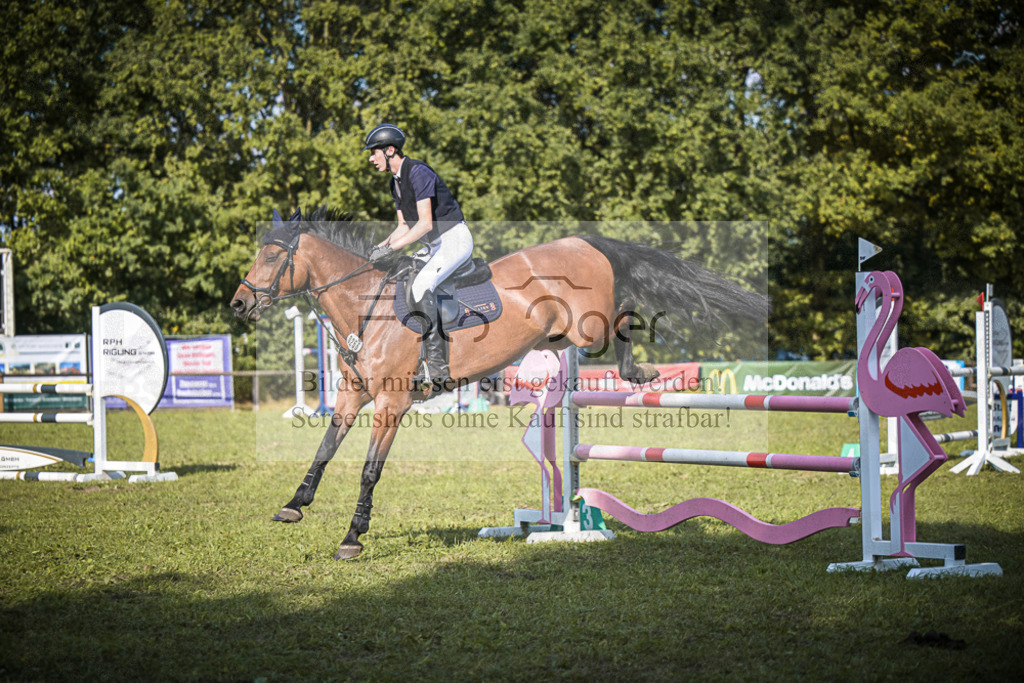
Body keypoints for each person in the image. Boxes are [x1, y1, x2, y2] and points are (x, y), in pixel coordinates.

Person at [364, 123, 472, 393]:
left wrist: (394, 248)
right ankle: (416, 358)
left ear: (390, 150)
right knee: (403, 281)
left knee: (421, 286)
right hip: (434, 245)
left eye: (374, 152)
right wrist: (376, 248)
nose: (371, 158)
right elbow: (402, 227)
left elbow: (423, 224)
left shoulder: (419, 172)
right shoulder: (396, 183)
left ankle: (437, 367)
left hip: (454, 239)